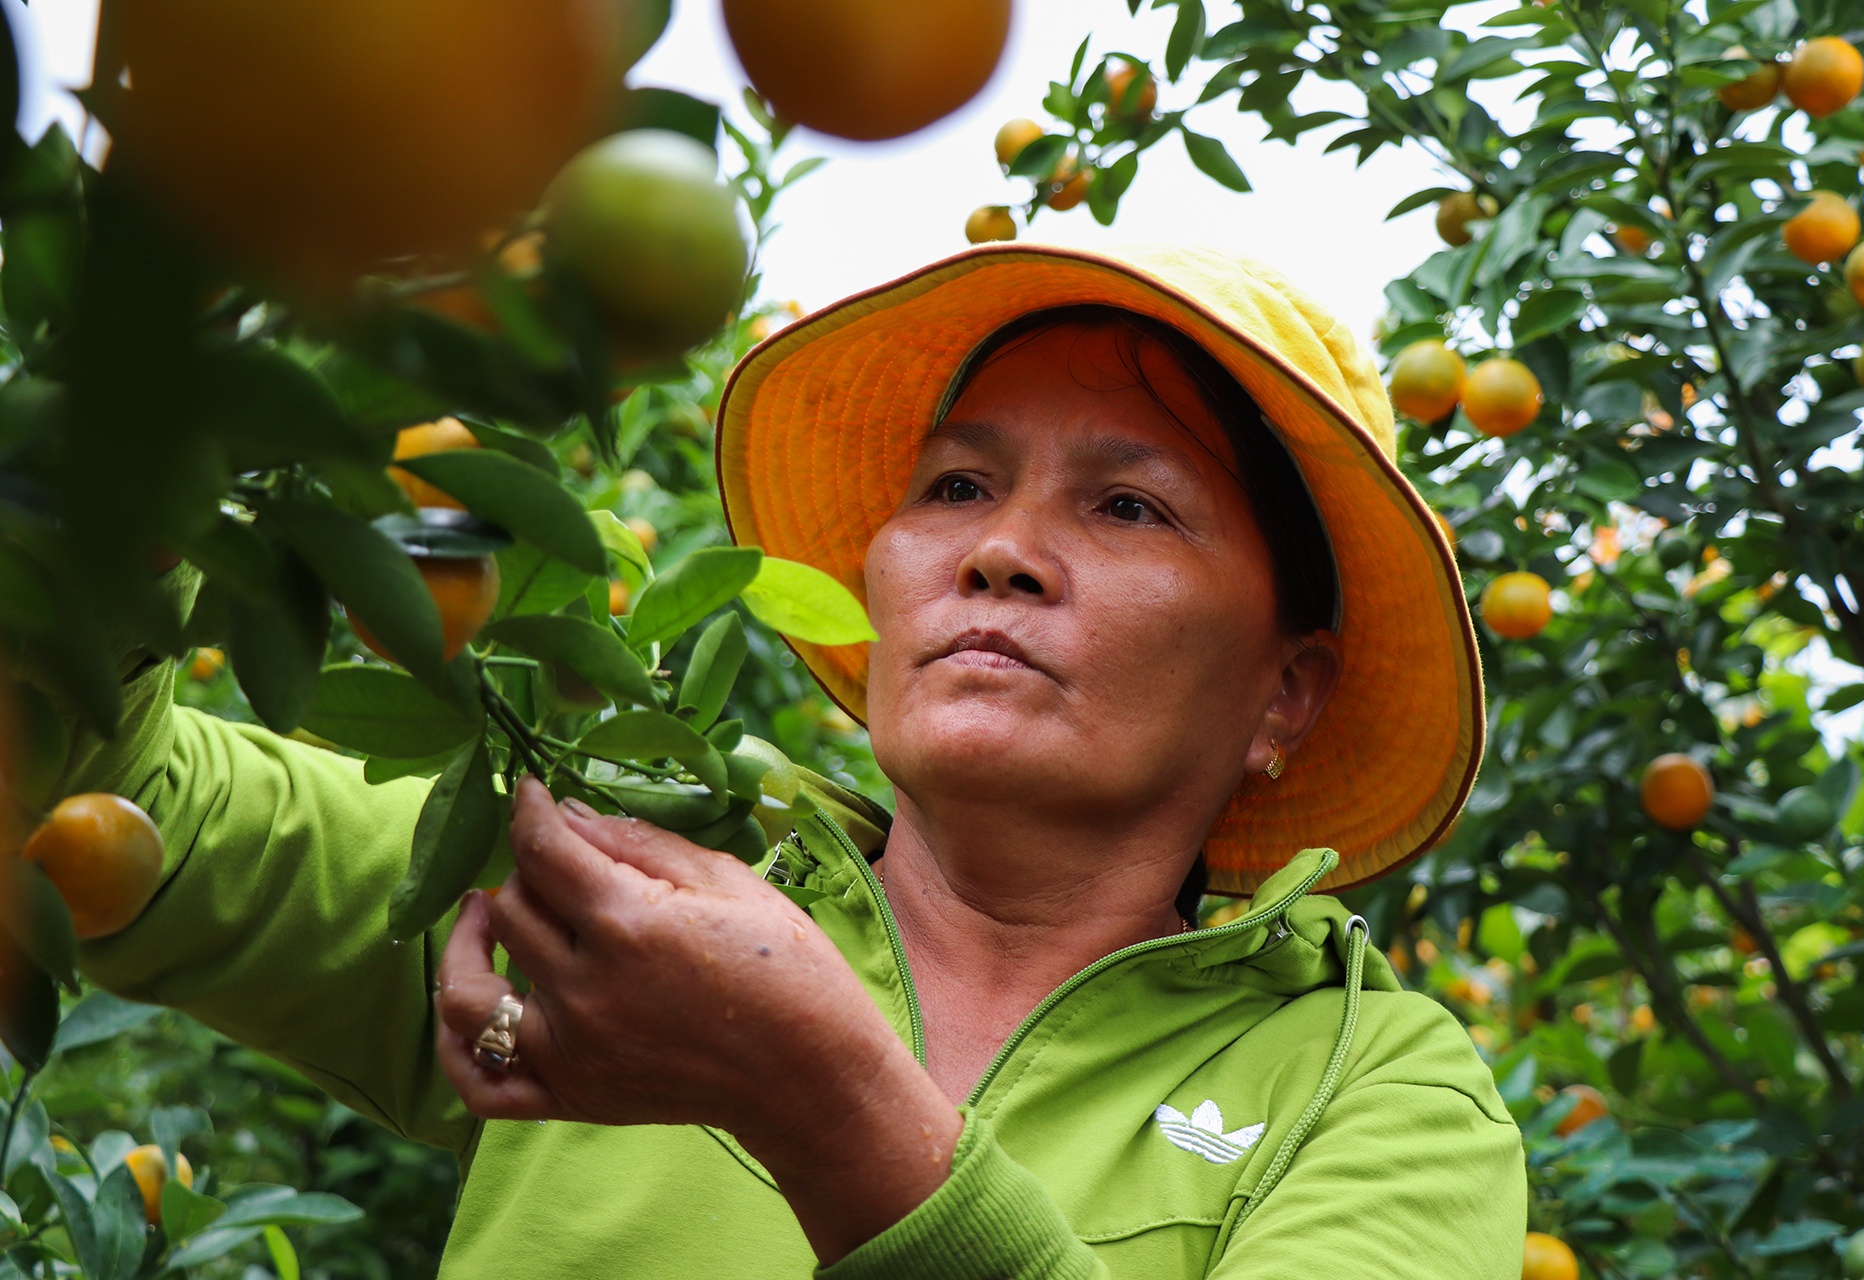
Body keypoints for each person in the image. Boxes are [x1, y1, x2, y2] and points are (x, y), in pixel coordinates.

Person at [68, 243, 1524, 1278]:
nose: (1002, 551)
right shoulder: (626, 895)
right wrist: (120, 525)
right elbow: (124, 826)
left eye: (1129, 509)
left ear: (1286, 691)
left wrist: (821, 1102)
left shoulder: (1371, 1087)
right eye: (957, 485)